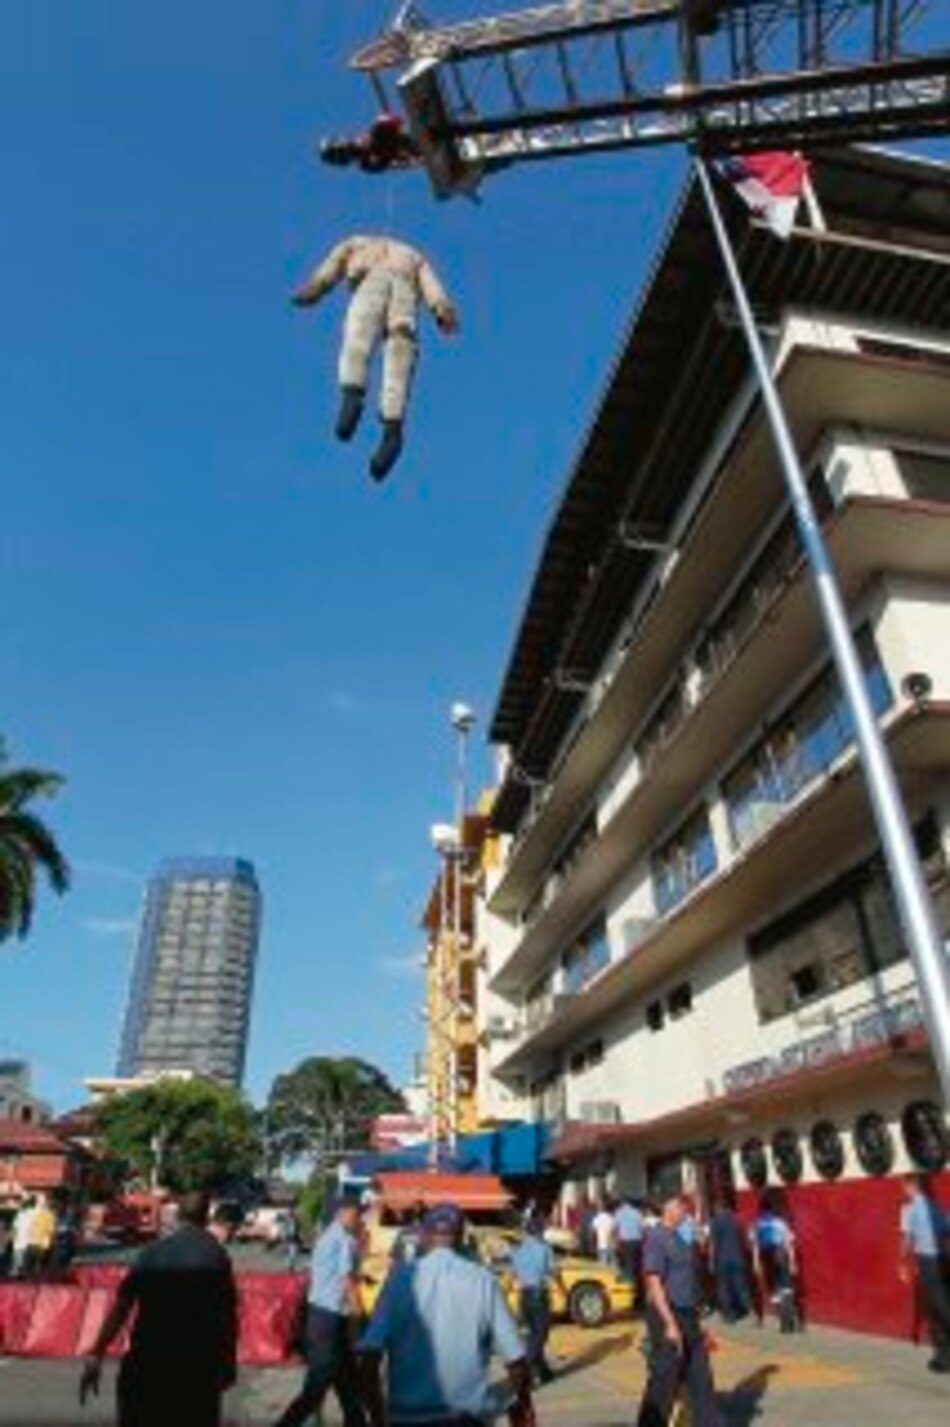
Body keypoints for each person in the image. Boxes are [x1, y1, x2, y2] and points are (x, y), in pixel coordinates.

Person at [292, 235, 459, 482]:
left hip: (394, 288)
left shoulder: (364, 244)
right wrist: (441, 308)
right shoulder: (401, 251)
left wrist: (315, 289)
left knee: (380, 346)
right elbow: (334, 264)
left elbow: (333, 265)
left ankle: (384, 423)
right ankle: (369, 409)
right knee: (381, 345)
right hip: (385, 287)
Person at [360, 1202, 534, 1427]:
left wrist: (376, 1417)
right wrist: (523, 1405)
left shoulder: (398, 1281)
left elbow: (369, 1358)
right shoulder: (483, 1280)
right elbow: (516, 1360)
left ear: (424, 1236)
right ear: (462, 1238)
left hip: (406, 1419)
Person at [79, 1190, 238, 1427]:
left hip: (146, 1365)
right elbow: (226, 1317)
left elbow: (121, 1309)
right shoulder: (216, 1257)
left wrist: (97, 1353)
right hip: (195, 1372)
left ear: (178, 1216)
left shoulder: (151, 1252)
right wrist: (228, 1363)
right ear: (207, 1217)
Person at [272, 1195, 367, 1427]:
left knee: (348, 1383)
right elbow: (346, 1280)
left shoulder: (328, 1235)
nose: (360, 1219)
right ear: (344, 1213)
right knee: (318, 1384)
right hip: (329, 1319)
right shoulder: (343, 1238)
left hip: (321, 1316)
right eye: (357, 1214)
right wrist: (359, 1315)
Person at [637, 1194, 721, 1427]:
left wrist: (698, 1324)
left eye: (686, 1208)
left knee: (701, 1376)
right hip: (668, 1314)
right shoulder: (656, 1237)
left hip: (688, 1315)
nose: (685, 1212)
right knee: (665, 1379)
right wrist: (670, 1324)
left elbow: (687, 1280)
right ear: (667, 1208)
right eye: (681, 1207)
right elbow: (654, 1283)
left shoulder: (678, 1238)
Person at [899, 1173, 950, 1373]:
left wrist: (901, 1262)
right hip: (943, 1261)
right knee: (940, 1306)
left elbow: (907, 1239)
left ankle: (942, 1357)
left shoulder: (908, 1209)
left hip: (928, 1263)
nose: (903, 1190)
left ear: (913, 1187)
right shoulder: (938, 1207)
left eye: (904, 1187)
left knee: (937, 1309)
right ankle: (942, 1358)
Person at [510, 1216, 567, 1385]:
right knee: (540, 1335)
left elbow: (512, 1274)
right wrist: (563, 1290)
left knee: (532, 1335)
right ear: (539, 1231)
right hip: (538, 1296)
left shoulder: (518, 1250)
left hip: (524, 1296)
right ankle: (525, 1371)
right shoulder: (544, 1249)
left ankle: (544, 1372)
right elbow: (554, 1272)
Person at [750, 1193, 799, 1333]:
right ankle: (789, 1320)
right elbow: (788, 1243)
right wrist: (793, 1262)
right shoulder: (780, 1222)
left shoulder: (756, 1224)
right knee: (787, 1288)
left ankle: (781, 1320)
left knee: (774, 1289)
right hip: (781, 1255)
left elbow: (755, 1246)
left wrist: (755, 1263)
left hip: (766, 1258)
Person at [708, 1198, 752, 1323]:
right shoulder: (737, 1218)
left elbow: (712, 1243)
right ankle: (751, 1313)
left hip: (722, 1259)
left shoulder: (715, 1221)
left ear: (717, 1208)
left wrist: (711, 1261)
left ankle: (729, 1316)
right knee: (741, 1286)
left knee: (723, 1287)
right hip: (738, 1257)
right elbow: (745, 1238)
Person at [615, 1197, 645, 1296]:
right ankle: (639, 1291)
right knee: (637, 1266)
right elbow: (642, 1229)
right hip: (637, 1242)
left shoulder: (618, 1212)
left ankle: (629, 1291)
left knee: (626, 1266)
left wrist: (617, 1243)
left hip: (624, 1242)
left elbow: (617, 1229)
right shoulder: (637, 1213)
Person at [11, 1198, 36, 1278]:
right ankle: (19, 1271)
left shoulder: (27, 1214)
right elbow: (16, 1226)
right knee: (20, 1255)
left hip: (24, 1237)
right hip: (23, 1237)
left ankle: (19, 1271)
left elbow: (15, 1227)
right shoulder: (23, 1214)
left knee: (20, 1255)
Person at [592, 1201, 617, 1267]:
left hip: (601, 1244)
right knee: (613, 1264)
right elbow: (615, 1231)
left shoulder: (596, 1219)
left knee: (603, 1265)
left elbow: (594, 1232)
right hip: (611, 1245)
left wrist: (593, 1243)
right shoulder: (611, 1218)